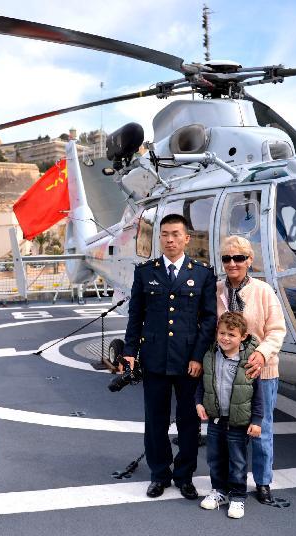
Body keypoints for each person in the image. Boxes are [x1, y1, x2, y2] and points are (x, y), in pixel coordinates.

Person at [121, 214, 217, 500]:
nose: (170, 239)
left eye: (176, 234)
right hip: (154, 359)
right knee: (155, 420)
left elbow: (209, 320)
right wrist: (129, 351)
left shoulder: (202, 274)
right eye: (164, 234)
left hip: (189, 362)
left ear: (187, 238)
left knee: (189, 422)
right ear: (159, 238)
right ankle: (159, 474)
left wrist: (198, 356)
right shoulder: (145, 272)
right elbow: (135, 315)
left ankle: (184, 476)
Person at [217, 235, 286, 505]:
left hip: (262, 371)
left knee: (261, 429)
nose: (232, 263)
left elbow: (277, 330)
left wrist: (261, 353)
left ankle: (263, 481)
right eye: (226, 258)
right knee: (227, 429)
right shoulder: (217, 290)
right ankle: (231, 481)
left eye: (239, 258)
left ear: (249, 260)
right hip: (227, 372)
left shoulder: (263, 291)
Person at [195, 312, 263, 519]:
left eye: (231, 334)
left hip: (238, 422)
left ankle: (238, 496)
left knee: (237, 461)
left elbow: (258, 393)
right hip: (216, 419)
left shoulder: (249, 360)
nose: (225, 338)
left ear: (242, 337)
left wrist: (257, 421)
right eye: (222, 333)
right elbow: (202, 382)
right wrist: (198, 402)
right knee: (215, 458)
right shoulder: (210, 355)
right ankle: (219, 491)